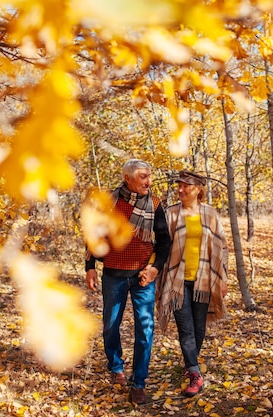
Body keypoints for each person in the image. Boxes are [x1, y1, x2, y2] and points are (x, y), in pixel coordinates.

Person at [85, 159, 171, 405]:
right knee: (111, 325)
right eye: (143, 177)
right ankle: (115, 366)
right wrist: (90, 267)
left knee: (145, 328)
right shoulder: (109, 202)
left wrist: (155, 268)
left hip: (143, 277)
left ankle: (139, 383)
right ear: (128, 179)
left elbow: (165, 241)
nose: (149, 182)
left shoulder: (154, 204)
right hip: (113, 275)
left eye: (149, 176)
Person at [156, 170, 229, 397]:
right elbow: (158, 245)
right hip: (176, 280)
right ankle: (196, 374)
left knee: (199, 328)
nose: (181, 189)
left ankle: (191, 364)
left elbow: (222, 247)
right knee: (185, 329)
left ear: (198, 189)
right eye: (179, 185)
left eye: (186, 185)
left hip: (204, 280)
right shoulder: (170, 213)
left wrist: (223, 278)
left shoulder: (210, 214)